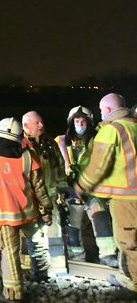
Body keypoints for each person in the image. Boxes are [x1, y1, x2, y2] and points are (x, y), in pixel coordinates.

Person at [0, 117, 53, 303]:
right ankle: (41, 274)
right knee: (37, 243)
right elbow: (40, 187)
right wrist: (46, 209)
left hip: (4, 216)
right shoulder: (28, 157)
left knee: (10, 253)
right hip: (29, 212)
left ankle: (13, 293)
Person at [74, 93, 137, 299]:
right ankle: (126, 275)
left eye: (102, 111)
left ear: (108, 111)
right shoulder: (133, 125)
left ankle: (132, 284)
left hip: (127, 197)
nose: (101, 114)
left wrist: (80, 185)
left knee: (127, 241)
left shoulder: (112, 130)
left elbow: (98, 166)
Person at [55, 106, 117, 267]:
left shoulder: (97, 139)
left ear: (89, 122)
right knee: (73, 226)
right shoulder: (61, 141)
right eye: (76, 121)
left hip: (92, 189)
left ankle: (108, 255)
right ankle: (77, 258)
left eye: (83, 121)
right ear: (71, 122)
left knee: (101, 219)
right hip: (71, 190)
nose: (80, 124)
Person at [21, 110, 70, 278]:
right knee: (33, 236)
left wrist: (63, 191)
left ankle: (58, 268)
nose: (42, 125)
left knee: (54, 233)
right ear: (26, 126)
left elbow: (59, 167)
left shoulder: (49, 142)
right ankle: (34, 269)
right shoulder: (21, 145)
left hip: (51, 196)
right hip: (30, 200)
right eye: (37, 123)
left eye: (41, 122)